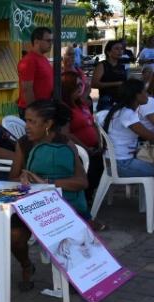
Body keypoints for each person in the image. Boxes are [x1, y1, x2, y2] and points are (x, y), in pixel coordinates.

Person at [9, 100, 89, 291]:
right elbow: (11, 178)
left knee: (65, 230)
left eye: (32, 121)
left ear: (48, 123)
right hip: (31, 205)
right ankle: (27, 265)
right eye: (25, 120)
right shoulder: (23, 144)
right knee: (15, 236)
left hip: (61, 206)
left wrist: (48, 184)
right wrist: (21, 178)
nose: (26, 126)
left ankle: (75, 271)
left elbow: (82, 182)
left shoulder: (65, 144)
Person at [61, 71, 104, 204]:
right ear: (68, 87)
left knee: (101, 169)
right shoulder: (64, 107)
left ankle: (89, 198)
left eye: (82, 85)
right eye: (77, 85)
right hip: (80, 151)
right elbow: (66, 133)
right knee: (91, 173)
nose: (81, 88)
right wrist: (86, 148)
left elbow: (93, 124)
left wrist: (100, 143)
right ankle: (86, 201)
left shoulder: (81, 104)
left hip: (94, 148)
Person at [99, 79, 154, 178]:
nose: (147, 95)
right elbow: (150, 136)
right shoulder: (127, 114)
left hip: (117, 161)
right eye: (145, 91)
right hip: (122, 164)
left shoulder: (120, 110)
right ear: (137, 95)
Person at [17, 27, 54, 119]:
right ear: (37, 41)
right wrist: (34, 113)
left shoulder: (43, 59)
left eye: (51, 40)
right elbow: (27, 89)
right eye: (48, 40)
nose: (51, 44)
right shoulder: (29, 60)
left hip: (44, 108)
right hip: (35, 110)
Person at [92, 40, 126, 112]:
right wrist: (116, 83)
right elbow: (94, 84)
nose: (120, 51)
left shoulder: (121, 66)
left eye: (121, 48)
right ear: (108, 52)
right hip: (106, 101)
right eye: (116, 48)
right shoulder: (102, 65)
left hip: (121, 100)